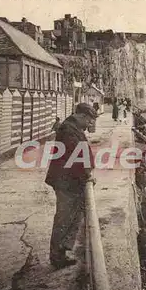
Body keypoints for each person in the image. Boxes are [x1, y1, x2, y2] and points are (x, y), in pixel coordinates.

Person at [45, 103, 97, 269]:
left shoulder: (72, 127)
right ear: (81, 116)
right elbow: (77, 155)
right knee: (64, 217)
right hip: (66, 181)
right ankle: (57, 255)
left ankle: (63, 251)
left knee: (73, 215)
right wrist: (87, 174)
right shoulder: (69, 130)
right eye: (89, 120)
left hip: (71, 180)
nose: (90, 124)